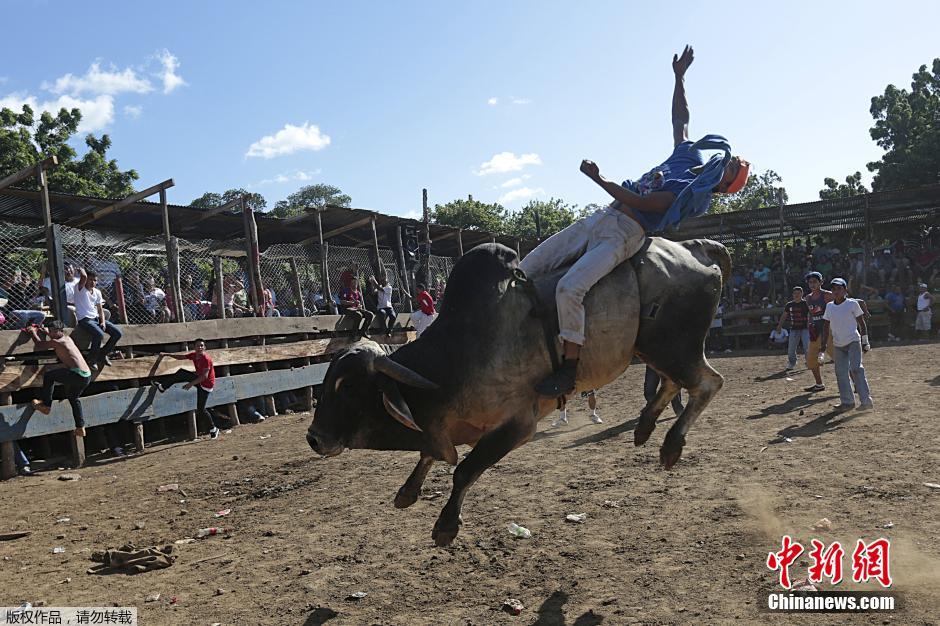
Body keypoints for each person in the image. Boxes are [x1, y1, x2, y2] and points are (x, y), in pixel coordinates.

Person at [518, 45, 749, 396]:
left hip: (625, 233)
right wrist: (679, 77)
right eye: (733, 162)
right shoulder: (686, 155)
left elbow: (642, 201)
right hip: (602, 217)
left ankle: (569, 368)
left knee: (571, 287)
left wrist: (599, 179)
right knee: (526, 268)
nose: (729, 163)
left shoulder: (691, 198)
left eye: (733, 169)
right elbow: (680, 119)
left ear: (723, 185)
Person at [27, 321, 93, 438]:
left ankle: (46, 406)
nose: (51, 333)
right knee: (73, 398)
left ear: (60, 331)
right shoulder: (66, 338)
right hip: (86, 375)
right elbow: (53, 339)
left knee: (49, 376)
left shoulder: (57, 342)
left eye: (53, 331)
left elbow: (39, 344)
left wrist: (33, 333)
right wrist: (47, 333)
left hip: (78, 375)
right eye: (50, 330)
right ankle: (80, 427)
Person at [820, 278, 873, 412]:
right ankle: (847, 402)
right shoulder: (830, 306)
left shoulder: (852, 304)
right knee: (841, 373)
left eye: (839, 289)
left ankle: (866, 401)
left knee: (856, 369)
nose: (836, 291)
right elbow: (826, 327)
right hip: (838, 344)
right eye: (834, 289)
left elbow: (861, 323)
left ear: (845, 290)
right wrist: (823, 346)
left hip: (853, 341)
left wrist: (865, 341)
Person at [154, 340, 224, 439]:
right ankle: (162, 387)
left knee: (201, 409)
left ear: (205, 348)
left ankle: (213, 429)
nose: (200, 347)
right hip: (199, 381)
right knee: (181, 372)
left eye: (202, 346)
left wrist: (190, 384)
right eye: (198, 346)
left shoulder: (206, 359)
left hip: (206, 385)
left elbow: (204, 376)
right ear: (194, 347)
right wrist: (167, 354)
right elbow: (181, 357)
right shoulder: (194, 355)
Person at [74, 268, 123, 366]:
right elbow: (83, 276)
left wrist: (103, 322)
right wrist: (81, 269)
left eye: (95, 280)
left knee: (117, 333)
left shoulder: (97, 292)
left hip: (96, 319)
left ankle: (103, 354)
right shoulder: (79, 288)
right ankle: (92, 359)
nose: (93, 282)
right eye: (90, 279)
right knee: (99, 334)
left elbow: (100, 309)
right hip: (85, 319)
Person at [804, 272, 833, 392]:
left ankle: (855, 383)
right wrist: (809, 326)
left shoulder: (827, 295)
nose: (812, 284)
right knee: (811, 359)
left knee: (839, 358)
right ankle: (819, 384)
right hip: (815, 331)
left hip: (829, 331)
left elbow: (839, 307)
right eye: (810, 282)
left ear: (821, 282)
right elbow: (810, 314)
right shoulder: (808, 298)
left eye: (815, 282)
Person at [777, 286, 810, 371]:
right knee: (791, 348)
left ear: (802, 294)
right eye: (795, 293)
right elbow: (784, 316)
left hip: (805, 328)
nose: (796, 295)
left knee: (807, 346)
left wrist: (810, 324)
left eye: (798, 293)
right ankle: (792, 363)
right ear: (792, 294)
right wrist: (779, 326)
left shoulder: (806, 303)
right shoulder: (789, 305)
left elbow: (810, 314)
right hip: (794, 328)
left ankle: (809, 362)